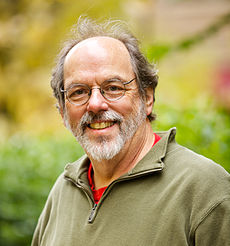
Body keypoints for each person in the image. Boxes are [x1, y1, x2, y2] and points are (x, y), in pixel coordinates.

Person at [31, 18, 230, 246]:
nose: (95, 104)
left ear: (147, 98)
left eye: (113, 88)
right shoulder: (64, 190)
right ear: (62, 112)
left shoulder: (205, 189)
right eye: (79, 92)